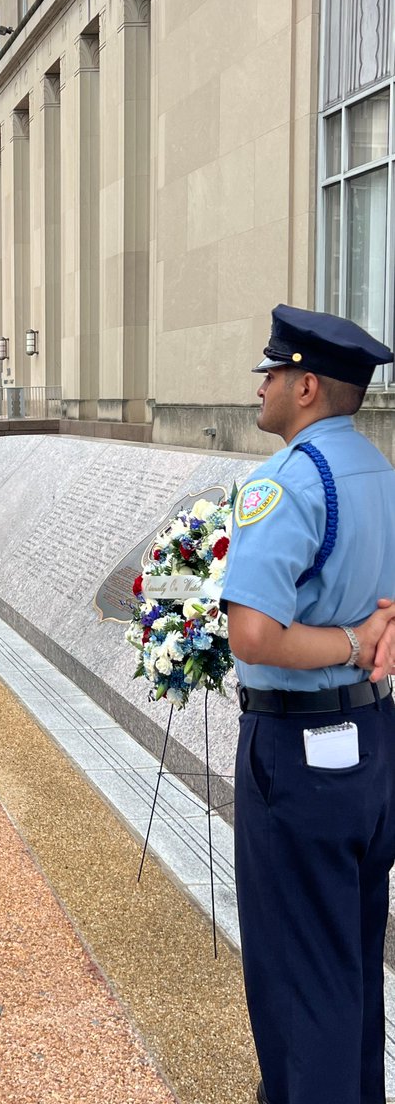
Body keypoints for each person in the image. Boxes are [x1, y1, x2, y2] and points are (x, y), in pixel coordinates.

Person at [221, 303, 395, 1104]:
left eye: (274, 371)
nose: (261, 384)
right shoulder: (381, 474)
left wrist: (351, 642)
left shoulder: (287, 481)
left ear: (308, 386)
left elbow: (253, 634)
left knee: (299, 974)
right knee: (351, 957)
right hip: (373, 741)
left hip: (299, 754)